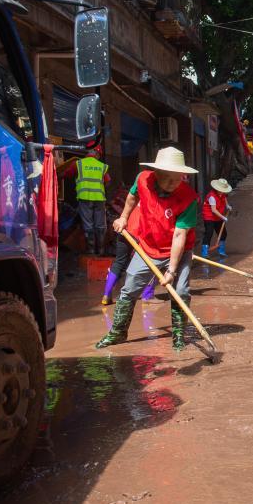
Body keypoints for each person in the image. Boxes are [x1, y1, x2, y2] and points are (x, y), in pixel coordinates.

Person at [96, 147, 199, 352]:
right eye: (168, 178)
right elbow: (132, 197)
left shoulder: (188, 197)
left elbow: (180, 235)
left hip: (178, 250)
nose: (173, 183)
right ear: (156, 173)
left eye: (178, 179)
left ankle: (178, 336)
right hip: (148, 247)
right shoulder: (143, 179)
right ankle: (117, 332)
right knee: (129, 289)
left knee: (180, 291)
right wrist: (124, 217)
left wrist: (171, 270)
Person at [66, 148, 111, 255]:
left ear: (87, 154)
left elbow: (67, 174)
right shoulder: (101, 166)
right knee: (100, 225)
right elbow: (108, 181)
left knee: (88, 224)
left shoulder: (78, 164)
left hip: (84, 197)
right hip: (99, 198)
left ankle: (91, 251)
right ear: (97, 155)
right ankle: (101, 250)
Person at [201, 178, 232, 258]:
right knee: (209, 233)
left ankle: (221, 251)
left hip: (218, 216)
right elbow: (214, 210)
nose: (222, 192)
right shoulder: (212, 196)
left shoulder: (222, 194)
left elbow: (224, 198)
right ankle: (204, 252)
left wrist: (227, 205)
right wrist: (223, 217)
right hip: (209, 217)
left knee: (223, 234)